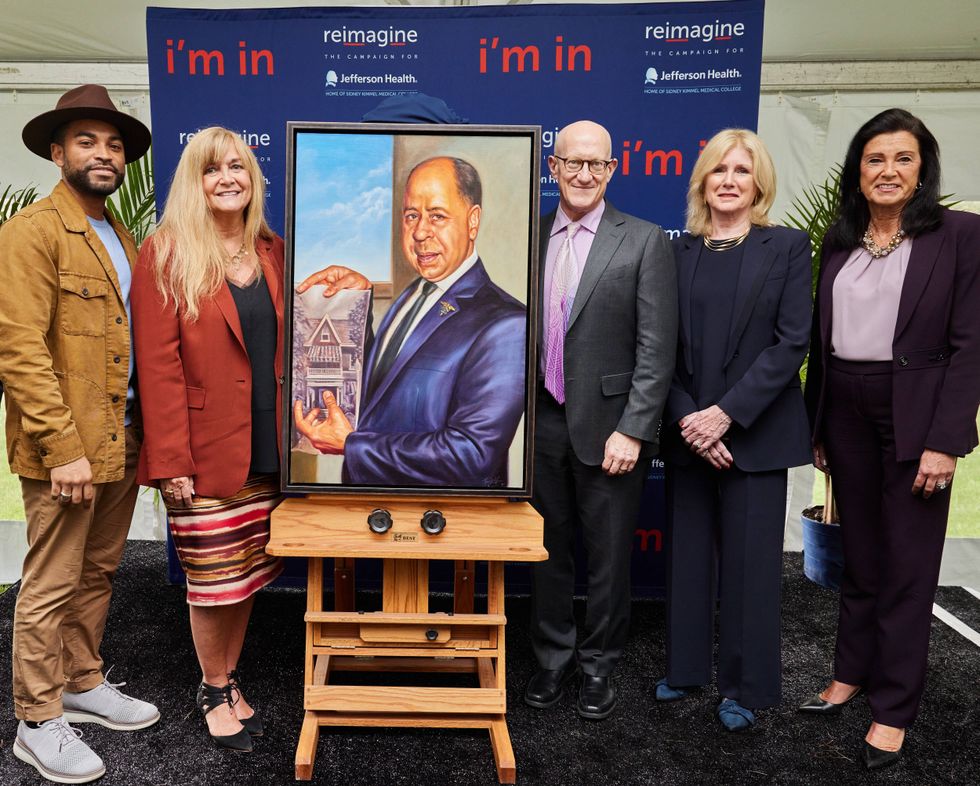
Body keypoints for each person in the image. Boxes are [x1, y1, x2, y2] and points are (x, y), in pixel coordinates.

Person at [799, 108, 980, 770]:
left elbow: (969, 349)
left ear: (923, 169)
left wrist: (945, 440)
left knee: (906, 565)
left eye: (903, 159)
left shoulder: (959, 236)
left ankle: (894, 706)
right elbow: (824, 344)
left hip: (917, 418)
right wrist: (817, 421)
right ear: (858, 170)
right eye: (875, 159)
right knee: (862, 559)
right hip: (843, 409)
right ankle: (851, 672)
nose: (889, 170)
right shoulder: (842, 241)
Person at [0, 84, 158, 784]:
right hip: (67, 451)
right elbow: (20, 351)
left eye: (114, 144)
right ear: (58, 152)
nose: (104, 153)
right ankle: (37, 722)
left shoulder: (119, 235)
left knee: (96, 573)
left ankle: (82, 681)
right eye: (87, 141)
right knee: (49, 582)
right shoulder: (31, 232)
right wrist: (62, 449)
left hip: (118, 441)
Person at [131, 127, 286, 752]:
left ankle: (228, 678)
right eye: (211, 169)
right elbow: (158, 368)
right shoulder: (166, 253)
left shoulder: (273, 251)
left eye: (238, 167)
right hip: (200, 455)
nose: (227, 179)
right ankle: (213, 686)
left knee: (245, 573)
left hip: (268, 450)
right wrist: (171, 462)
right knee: (213, 579)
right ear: (193, 182)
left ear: (253, 178)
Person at [655, 129, 812, 731]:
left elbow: (790, 342)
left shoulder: (787, 248)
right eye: (719, 169)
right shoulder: (677, 254)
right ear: (702, 180)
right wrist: (691, 417)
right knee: (688, 558)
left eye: (742, 171)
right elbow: (659, 346)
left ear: (759, 183)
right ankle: (687, 668)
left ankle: (747, 687)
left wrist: (727, 416)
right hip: (689, 428)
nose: (728, 180)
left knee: (750, 568)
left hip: (756, 431)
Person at [525, 120, 677, 720]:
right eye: (572, 162)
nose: (584, 174)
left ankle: (598, 665)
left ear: (612, 170)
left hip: (612, 429)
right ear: (553, 167)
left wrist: (635, 429)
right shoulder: (530, 236)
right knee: (548, 551)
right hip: (540, 423)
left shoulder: (641, 241)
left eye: (597, 164)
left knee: (611, 556)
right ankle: (553, 660)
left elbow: (657, 349)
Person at [293, 155, 526, 488]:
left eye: (437, 216)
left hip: (444, 525)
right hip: (369, 513)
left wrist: (353, 445)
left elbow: (472, 456)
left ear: (473, 221)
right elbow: (385, 393)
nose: (420, 232)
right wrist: (355, 308)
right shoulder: (414, 293)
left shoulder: (507, 324)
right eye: (411, 216)